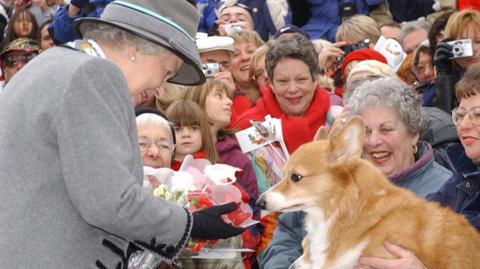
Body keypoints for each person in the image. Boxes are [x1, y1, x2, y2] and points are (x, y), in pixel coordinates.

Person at [0, 1, 245, 267]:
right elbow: (109, 202)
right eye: (166, 73)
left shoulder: (55, 62)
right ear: (136, 48)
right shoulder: (94, 75)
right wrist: (190, 223)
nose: (160, 88)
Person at [261, 76, 451, 269]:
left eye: (386, 130)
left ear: (414, 134)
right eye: (366, 131)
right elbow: (284, 242)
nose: (373, 141)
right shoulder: (331, 178)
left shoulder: (447, 189)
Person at [355, 56, 480, 269]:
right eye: (460, 114)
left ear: (414, 134)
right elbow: (412, 221)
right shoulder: (464, 178)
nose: (464, 125)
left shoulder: (449, 178)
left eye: (477, 115)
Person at [434, 8, 480, 113]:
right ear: (449, 45)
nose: (473, 49)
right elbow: (446, 123)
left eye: (478, 41)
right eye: (464, 43)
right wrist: (443, 74)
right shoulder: (448, 78)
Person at [166, 99, 219, 170]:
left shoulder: (214, 172)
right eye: (177, 129)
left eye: (194, 128)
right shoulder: (159, 171)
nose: (186, 134)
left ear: (204, 132)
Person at [229, 30, 265, 120]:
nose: (245, 58)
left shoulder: (279, 92)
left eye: (250, 51)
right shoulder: (225, 102)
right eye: (235, 54)